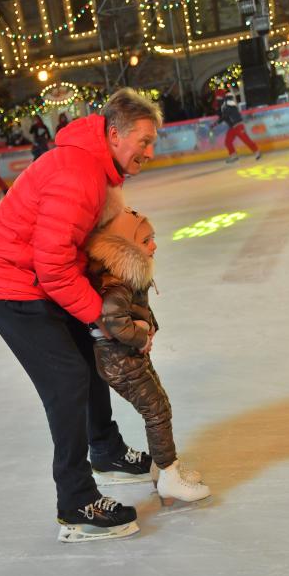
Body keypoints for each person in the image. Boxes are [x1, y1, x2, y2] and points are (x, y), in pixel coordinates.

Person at [0, 88, 163, 543]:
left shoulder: (96, 168)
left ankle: (107, 450)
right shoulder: (80, 176)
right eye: (144, 141)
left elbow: (74, 254)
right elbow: (52, 266)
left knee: (90, 354)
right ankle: (76, 502)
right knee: (68, 379)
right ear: (114, 135)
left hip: (37, 279)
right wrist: (107, 318)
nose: (151, 152)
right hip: (11, 288)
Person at [86, 208, 210, 505]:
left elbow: (136, 312)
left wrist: (147, 328)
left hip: (127, 357)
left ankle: (162, 467)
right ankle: (169, 477)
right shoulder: (116, 282)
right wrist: (141, 335)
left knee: (159, 408)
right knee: (157, 412)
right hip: (120, 360)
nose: (153, 245)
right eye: (146, 240)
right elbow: (114, 320)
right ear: (125, 246)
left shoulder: (129, 273)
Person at [212, 88, 261, 163]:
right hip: (232, 127)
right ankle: (233, 155)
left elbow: (226, 114)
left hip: (238, 125)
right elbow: (224, 116)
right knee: (228, 141)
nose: (217, 98)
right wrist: (218, 113)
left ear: (220, 96)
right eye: (216, 97)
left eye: (218, 97)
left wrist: (216, 122)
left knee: (246, 139)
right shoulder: (223, 106)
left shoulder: (228, 103)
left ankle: (257, 151)